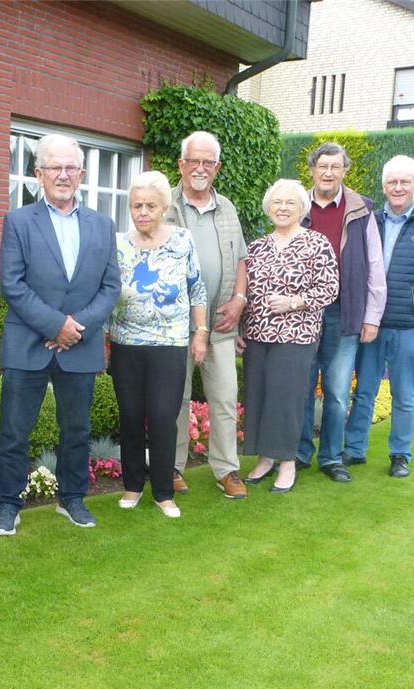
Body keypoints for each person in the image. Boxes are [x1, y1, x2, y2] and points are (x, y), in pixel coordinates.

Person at [0, 133, 121, 536]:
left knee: (77, 429)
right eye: (54, 168)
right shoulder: (18, 221)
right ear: (38, 174)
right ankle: (8, 505)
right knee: (14, 429)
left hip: (79, 346)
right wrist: (55, 326)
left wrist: (74, 329)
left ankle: (73, 498)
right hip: (28, 343)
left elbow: (110, 288)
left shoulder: (103, 225)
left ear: (81, 174)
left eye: (70, 168)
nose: (63, 175)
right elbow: (12, 284)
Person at [343, 155, 414, 478]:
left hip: (408, 327)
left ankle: (400, 455)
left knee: (404, 394)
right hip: (370, 325)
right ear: (383, 186)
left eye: (405, 182)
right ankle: (354, 449)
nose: (398, 187)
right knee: (364, 391)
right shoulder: (368, 222)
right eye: (392, 182)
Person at [109, 170, 208, 519]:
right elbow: (106, 290)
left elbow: (197, 288)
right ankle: (133, 486)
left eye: (150, 205)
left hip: (169, 344)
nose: (143, 212)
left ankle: (164, 491)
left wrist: (200, 332)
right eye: (137, 205)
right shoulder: (118, 243)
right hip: (126, 344)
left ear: (165, 207)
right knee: (132, 416)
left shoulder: (182, 240)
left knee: (164, 416)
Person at [164, 131, 249, 500]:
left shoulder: (227, 208)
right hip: (174, 325)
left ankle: (227, 470)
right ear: (181, 164)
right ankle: (172, 467)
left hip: (221, 324)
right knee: (175, 399)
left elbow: (242, 259)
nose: (200, 168)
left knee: (225, 398)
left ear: (218, 167)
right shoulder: (165, 205)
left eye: (208, 162)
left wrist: (240, 299)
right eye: (193, 161)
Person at [294, 142, 386, 483]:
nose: (328, 172)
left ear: (344, 170)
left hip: (343, 313)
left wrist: (371, 316)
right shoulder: (297, 205)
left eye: (335, 167)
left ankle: (332, 457)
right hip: (301, 313)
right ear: (313, 170)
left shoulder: (361, 211)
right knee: (302, 387)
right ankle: (301, 452)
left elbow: (375, 265)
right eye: (322, 166)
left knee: (335, 391)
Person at [239, 179, 339, 493]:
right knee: (259, 395)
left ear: (301, 208)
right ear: (269, 208)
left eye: (290, 203)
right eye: (277, 203)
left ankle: (287, 463)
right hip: (257, 334)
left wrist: (294, 302)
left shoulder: (316, 243)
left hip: (296, 335)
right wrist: (241, 329)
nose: (282, 208)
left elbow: (329, 288)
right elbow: (245, 291)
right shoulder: (256, 247)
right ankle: (265, 459)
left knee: (286, 398)